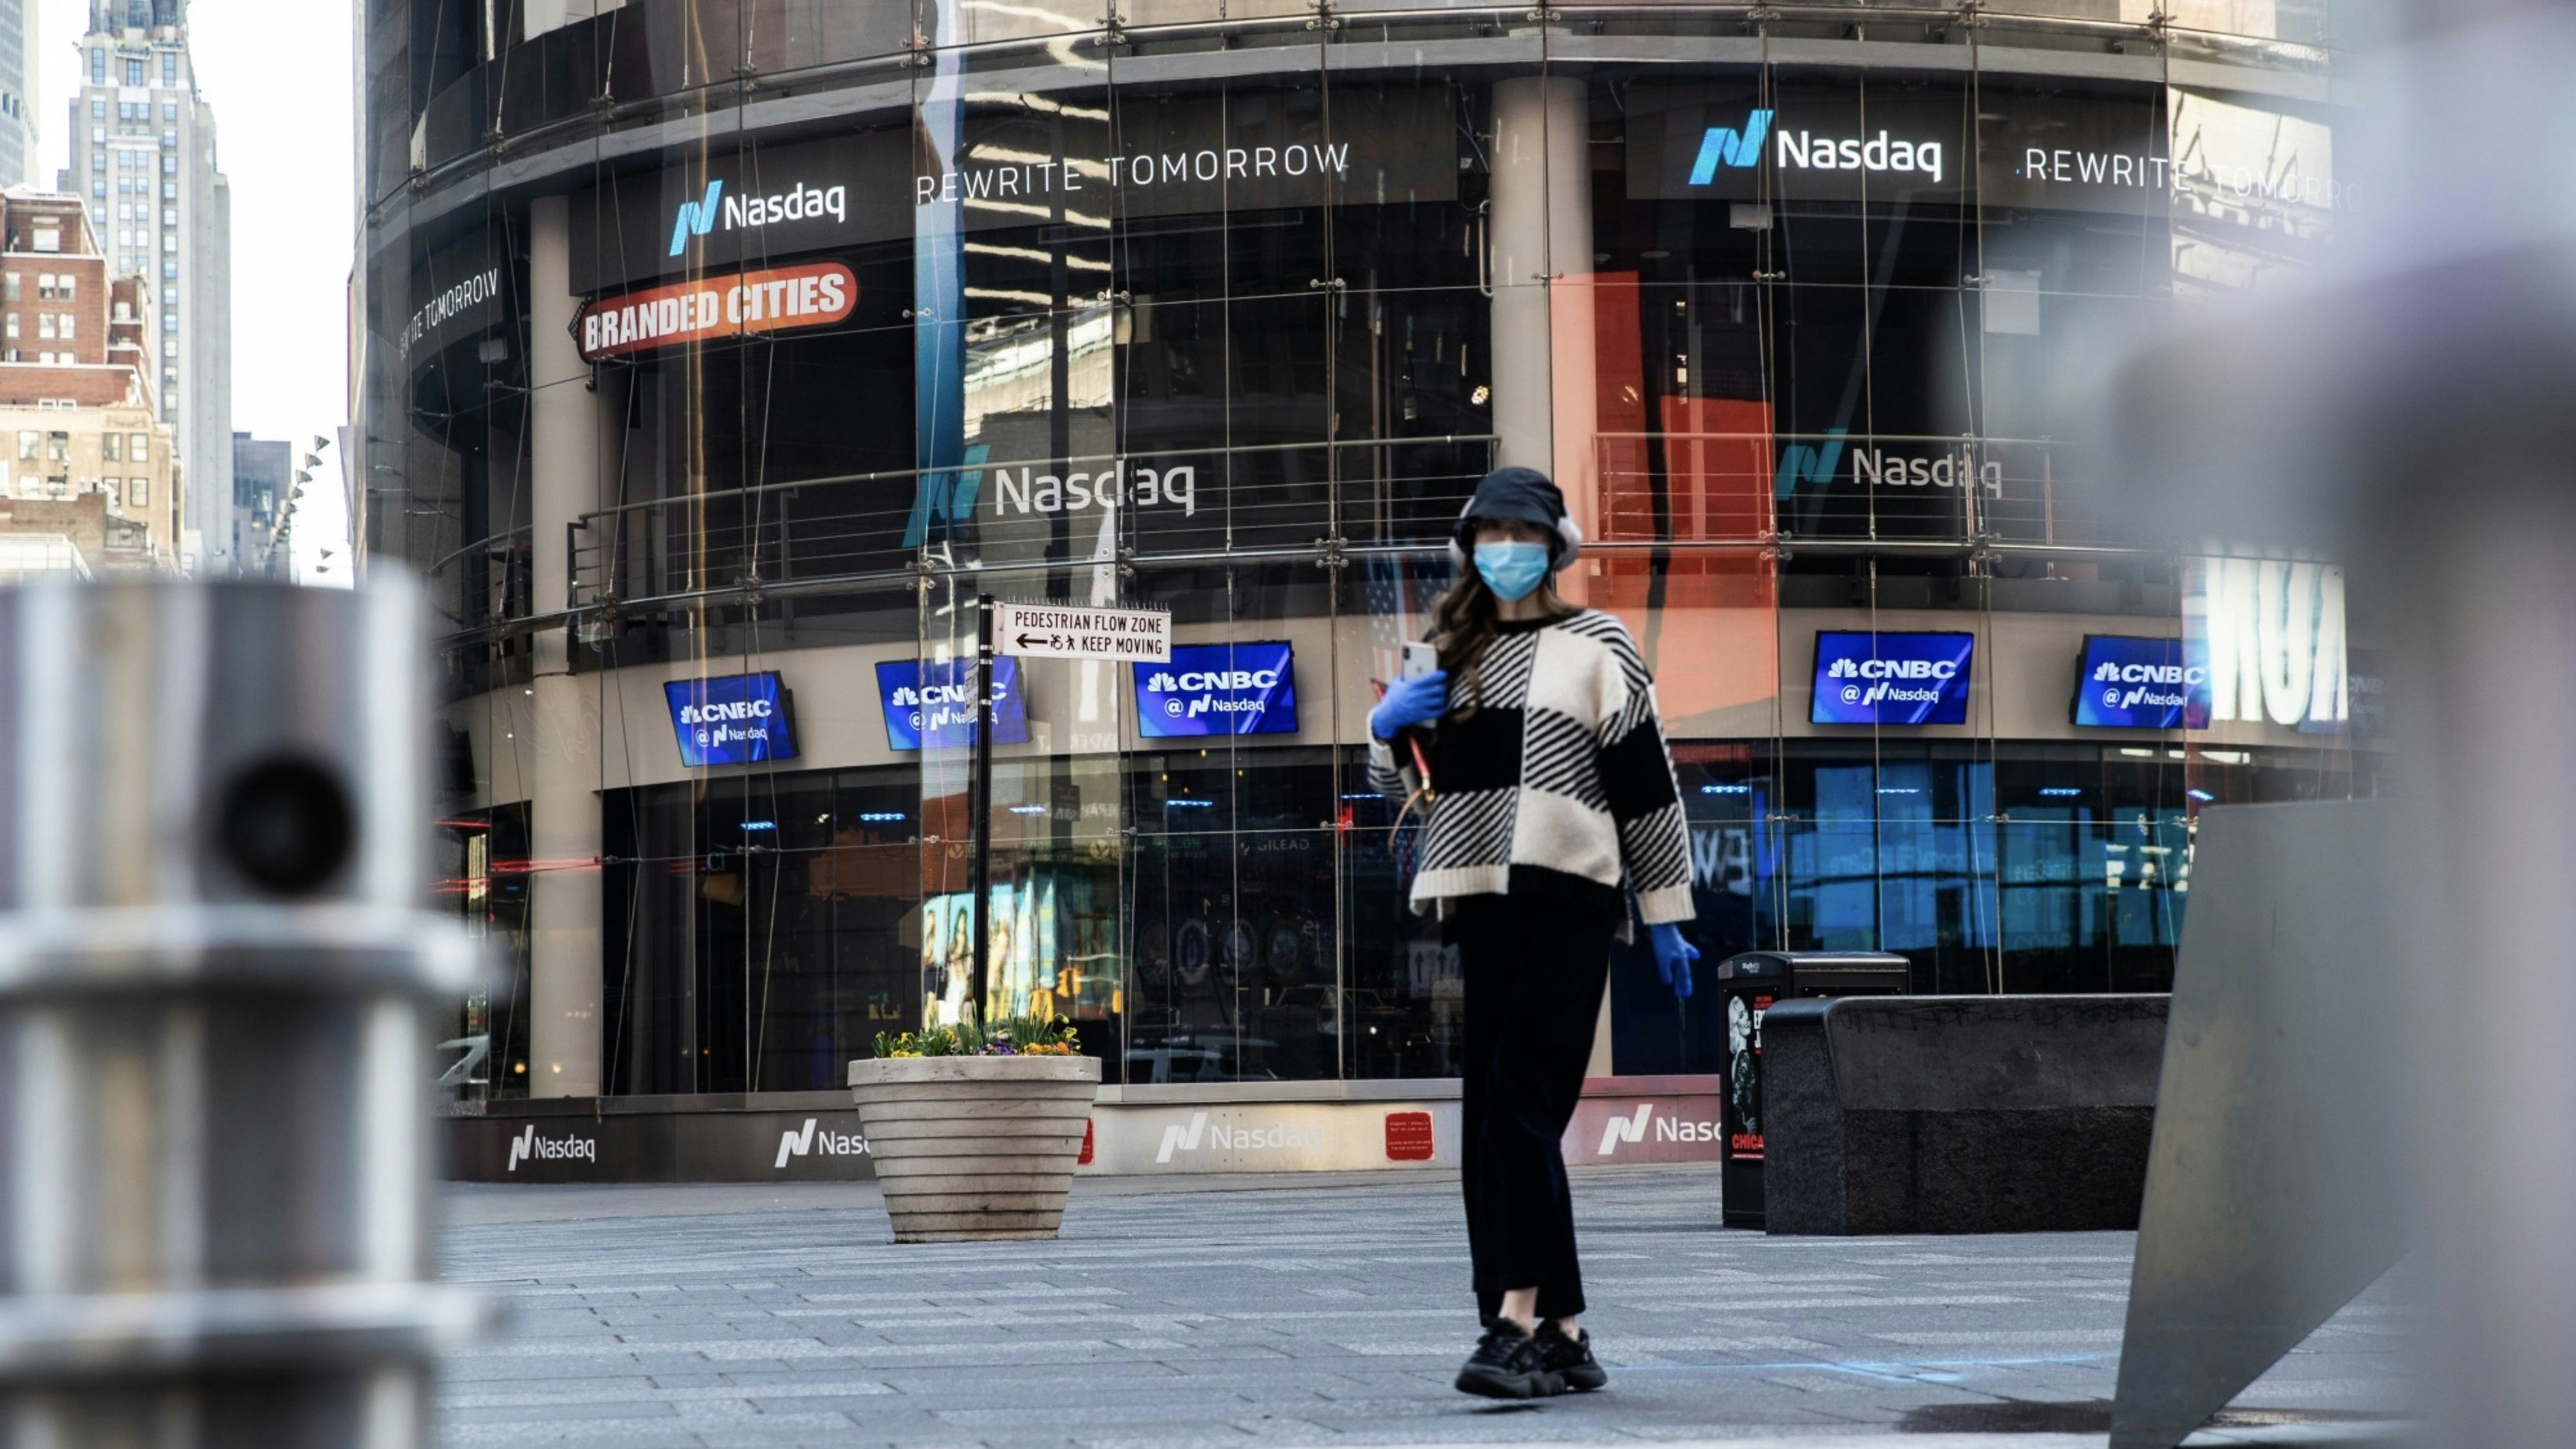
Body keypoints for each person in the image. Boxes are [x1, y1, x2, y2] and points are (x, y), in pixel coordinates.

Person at [1369, 465, 1701, 1401]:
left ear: (1555, 544)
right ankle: (1564, 1332)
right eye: (1490, 531)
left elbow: (1647, 787)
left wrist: (1665, 914)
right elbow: (1415, 787)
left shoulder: (1599, 643)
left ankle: (1510, 1321)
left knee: (1521, 1101)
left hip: (1571, 894)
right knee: (1497, 1122)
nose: (1506, 548)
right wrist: (1385, 725)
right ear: (1468, 543)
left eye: (1523, 531)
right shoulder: (1447, 647)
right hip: (1478, 898)